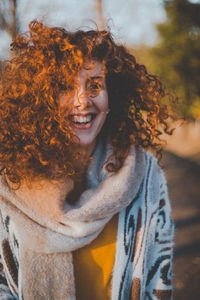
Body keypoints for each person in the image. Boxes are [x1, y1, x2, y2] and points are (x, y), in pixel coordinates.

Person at [0, 20, 174, 300]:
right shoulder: (10, 183)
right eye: (65, 87)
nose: (82, 101)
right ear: (41, 99)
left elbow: (159, 278)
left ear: (111, 94)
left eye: (94, 85)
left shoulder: (145, 174)